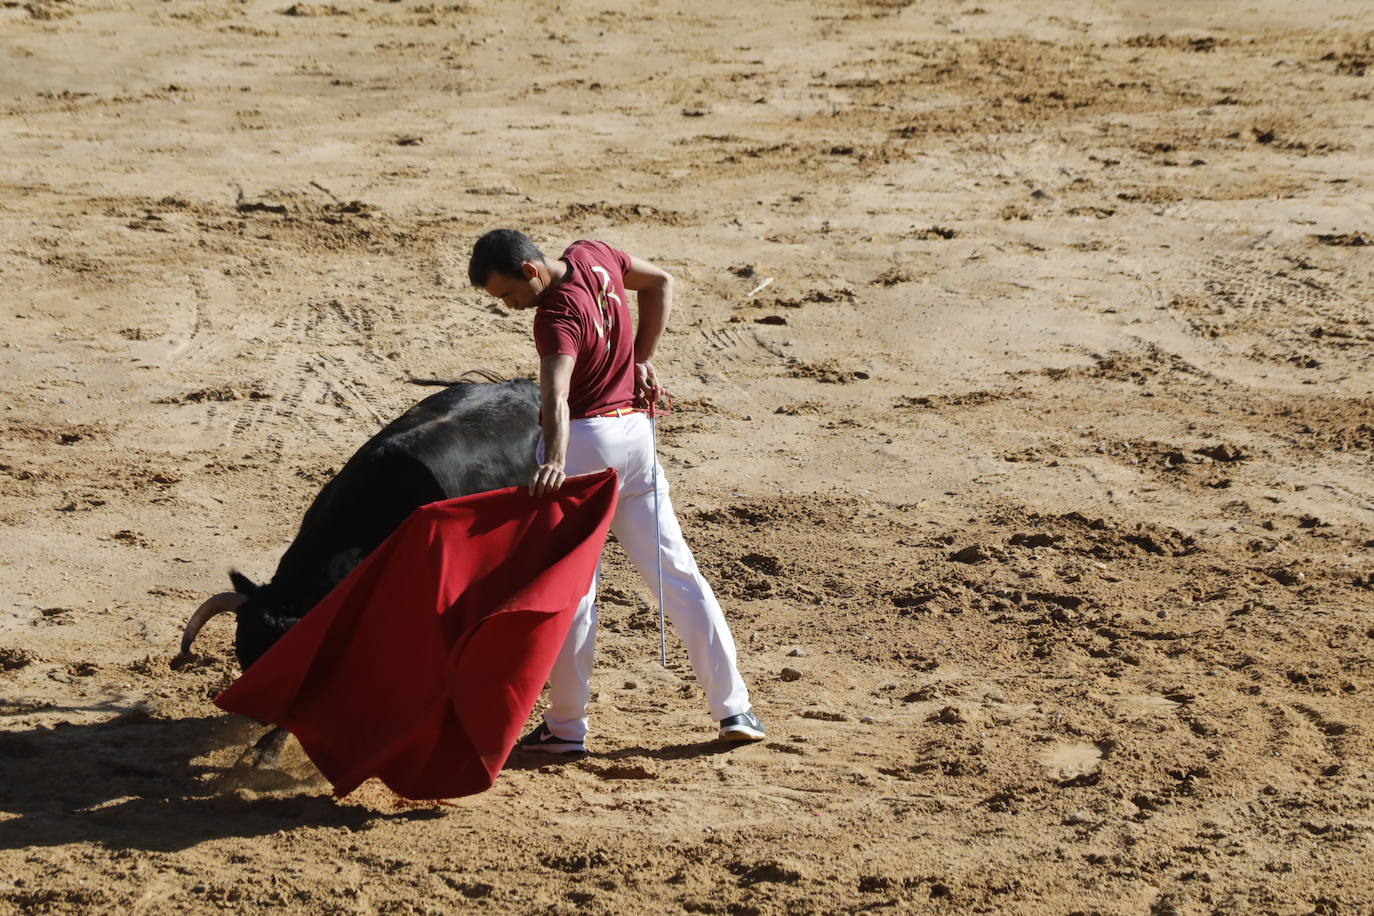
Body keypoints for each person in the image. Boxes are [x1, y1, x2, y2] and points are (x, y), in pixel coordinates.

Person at [467, 228, 765, 753]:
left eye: (508, 295)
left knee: (575, 593)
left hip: (585, 449)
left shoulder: (553, 317)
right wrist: (640, 360)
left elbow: (555, 396)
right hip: (636, 436)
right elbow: (660, 282)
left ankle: (565, 728)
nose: (510, 307)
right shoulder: (594, 253)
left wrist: (555, 460)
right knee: (678, 574)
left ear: (531, 271)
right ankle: (734, 708)